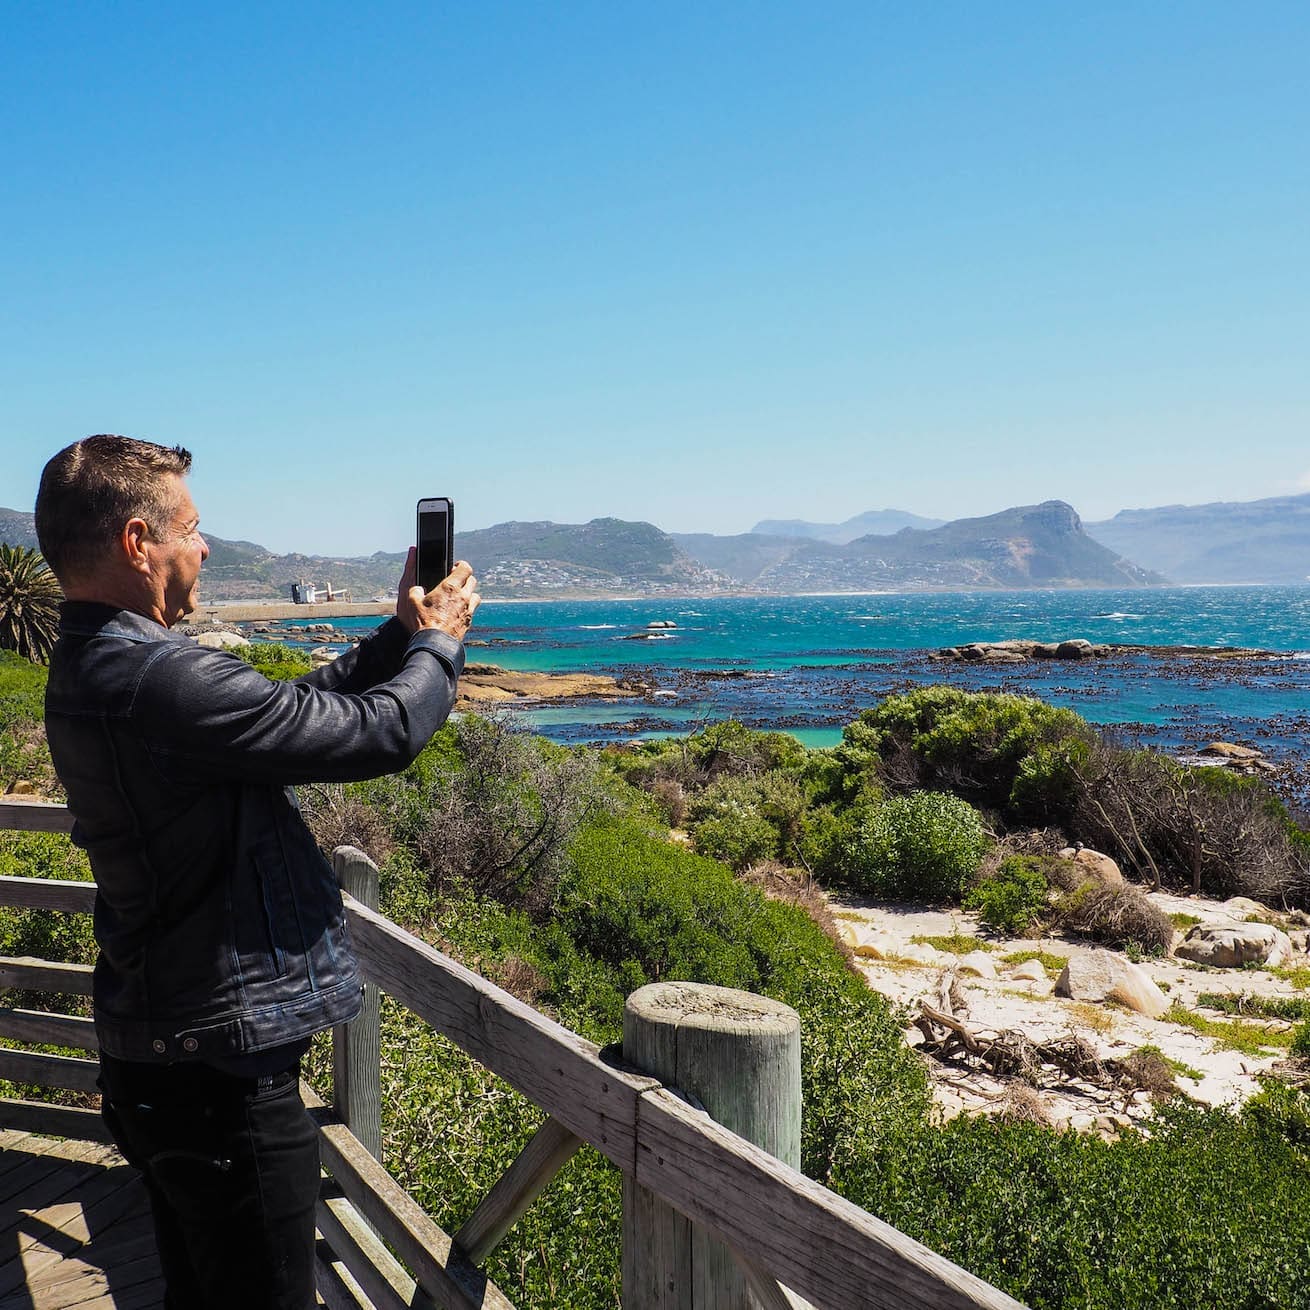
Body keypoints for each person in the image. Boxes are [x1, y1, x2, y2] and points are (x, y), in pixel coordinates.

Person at [35, 434, 479, 1309]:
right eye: (192, 529)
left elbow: (290, 711)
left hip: (161, 1058)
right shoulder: (152, 674)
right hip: (222, 1088)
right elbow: (375, 734)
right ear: (137, 542)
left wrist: (398, 634)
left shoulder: (95, 664)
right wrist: (440, 645)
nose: (204, 546)